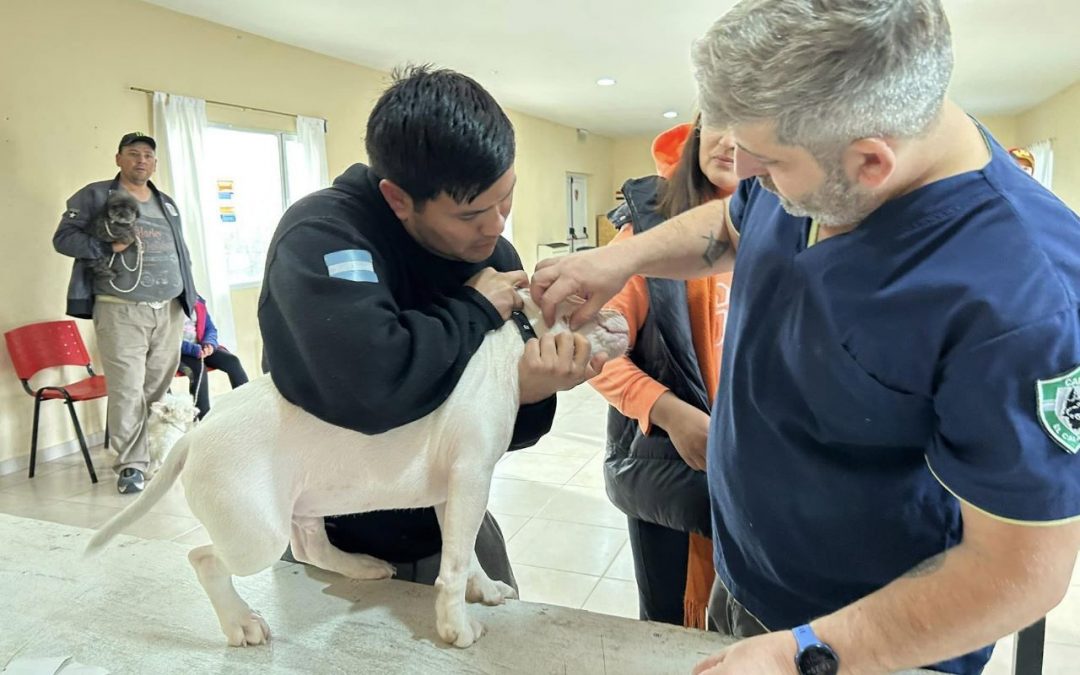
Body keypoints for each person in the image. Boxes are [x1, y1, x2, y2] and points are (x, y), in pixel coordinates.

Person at [531, 2, 1080, 673]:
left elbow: (1020, 571)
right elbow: (729, 230)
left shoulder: (1027, 300)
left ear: (871, 162)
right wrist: (617, 260)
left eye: (768, 167)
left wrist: (806, 653)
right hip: (744, 575)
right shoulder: (819, 147)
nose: (749, 183)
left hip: (870, 639)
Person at [259, 66, 598, 589]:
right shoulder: (323, 235)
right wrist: (474, 311)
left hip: (454, 521)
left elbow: (512, 433)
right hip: (331, 538)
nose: (497, 225)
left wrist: (529, 386)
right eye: (470, 215)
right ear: (398, 198)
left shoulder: (491, 254)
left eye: (506, 197)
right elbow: (371, 387)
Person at [589, 118, 738, 628]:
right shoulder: (645, 237)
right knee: (669, 624)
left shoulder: (793, 232)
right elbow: (597, 349)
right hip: (669, 469)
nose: (732, 141)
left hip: (755, 477)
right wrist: (667, 411)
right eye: (718, 119)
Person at [54, 132, 197, 495]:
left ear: (154, 163)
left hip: (168, 308)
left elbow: (181, 252)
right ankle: (131, 466)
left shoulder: (167, 203)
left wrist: (190, 297)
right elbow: (63, 238)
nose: (141, 161)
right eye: (134, 154)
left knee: (157, 386)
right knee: (127, 388)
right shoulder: (96, 195)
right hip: (121, 309)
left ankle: (149, 454)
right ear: (119, 158)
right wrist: (105, 246)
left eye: (148, 155)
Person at [179, 295, 249, 419]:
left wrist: (209, 344)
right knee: (199, 369)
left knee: (232, 362)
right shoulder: (165, 305)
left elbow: (210, 328)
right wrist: (194, 350)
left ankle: (246, 405)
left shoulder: (196, 301)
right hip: (179, 352)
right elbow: (167, 339)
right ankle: (203, 418)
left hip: (201, 346)